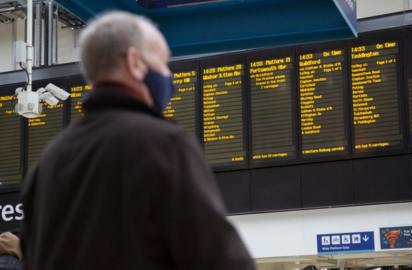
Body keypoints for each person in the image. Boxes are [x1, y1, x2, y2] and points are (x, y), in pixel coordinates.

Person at [21, 11, 255, 270]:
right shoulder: (163, 143)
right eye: (162, 61)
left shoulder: (48, 161)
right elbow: (221, 260)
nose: (168, 75)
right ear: (134, 61)